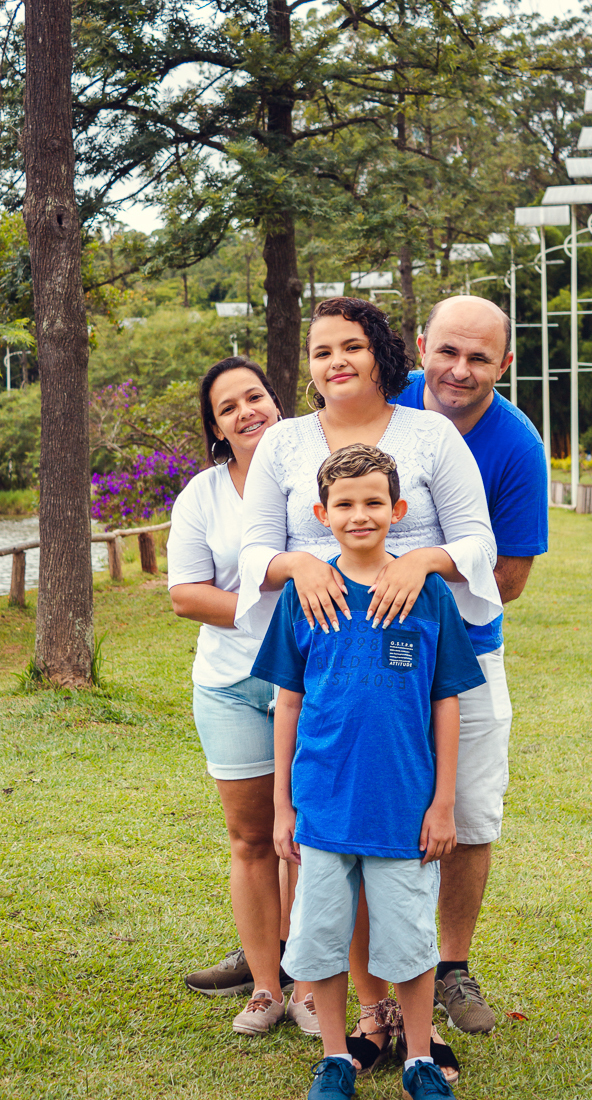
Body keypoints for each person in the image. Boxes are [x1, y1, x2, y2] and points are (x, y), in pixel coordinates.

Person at [233, 296, 502, 1065]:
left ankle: (421, 1007)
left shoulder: (431, 434)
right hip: (332, 671)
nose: (336, 362)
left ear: (381, 352)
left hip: (424, 664)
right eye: (321, 351)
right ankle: (372, 1012)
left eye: (351, 346)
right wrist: (296, 563)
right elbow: (256, 550)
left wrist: (423, 560)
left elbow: (477, 536)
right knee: (342, 830)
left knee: (423, 828)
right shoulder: (284, 444)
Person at [250, 444, 485, 1100]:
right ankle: (334, 1058)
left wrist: (441, 804)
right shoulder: (304, 596)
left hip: (403, 808)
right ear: (322, 513)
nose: (360, 514)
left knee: (408, 939)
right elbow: (288, 704)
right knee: (321, 935)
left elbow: (445, 700)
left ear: (397, 509)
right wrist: (282, 807)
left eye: (373, 502)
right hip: (323, 804)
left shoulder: (426, 597)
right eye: (345, 504)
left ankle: (416, 1058)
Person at [394, 295, 549, 1032]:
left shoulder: (514, 443)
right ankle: (301, 953)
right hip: (362, 654)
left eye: (478, 357)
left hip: (466, 653)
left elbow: (510, 580)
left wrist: (413, 572)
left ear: (503, 364)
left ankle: (450, 966)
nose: (458, 370)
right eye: (447, 350)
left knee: (470, 815)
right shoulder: (376, 407)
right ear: (421, 344)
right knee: (344, 801)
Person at [167, 356, 319, 1038]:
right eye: (227, 408)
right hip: (231, 685)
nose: (245, 411)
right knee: (252, 839)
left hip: (315, 683)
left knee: (311, 839)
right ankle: (264, 986)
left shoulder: (317, 476)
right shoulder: (202, 495)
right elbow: (185, 593)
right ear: (217, 429)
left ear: (276, 404)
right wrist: (270, 612)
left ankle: (313, 986)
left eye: (253, 396)